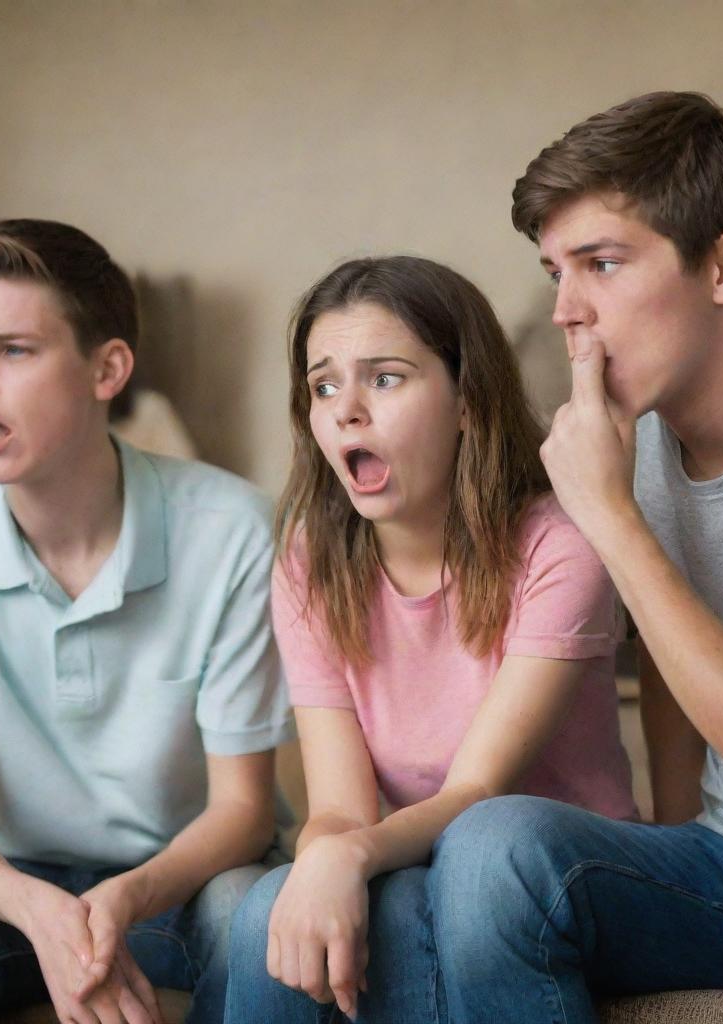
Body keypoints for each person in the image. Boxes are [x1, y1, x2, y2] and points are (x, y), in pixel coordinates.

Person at [428, 91, 723, 1023]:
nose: (566, 312)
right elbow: (680, 686)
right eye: (556, 270)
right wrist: (674, 846)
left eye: (601, 263)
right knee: (489, 846)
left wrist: (610, 518)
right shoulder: (629, 449)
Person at [0, 219, 294, 1024]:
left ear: (107, 368)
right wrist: (41, 912)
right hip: (16, 882)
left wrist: (122, 901)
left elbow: (241, 809)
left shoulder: (234, 528)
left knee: (256, 912)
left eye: (12, 350)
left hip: (191, 876)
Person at [224, 255, 637, 1023]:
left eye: (384, 378)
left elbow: (479, 794)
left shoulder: (558, 543)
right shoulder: (307, 563)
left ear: (467, 404)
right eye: (323, 385)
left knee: (416, 894)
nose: (346, 409)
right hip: (415, 859)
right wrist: (325, 857)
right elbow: (341, 805)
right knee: (263, 912)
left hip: (559, 870)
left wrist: (348, 854)